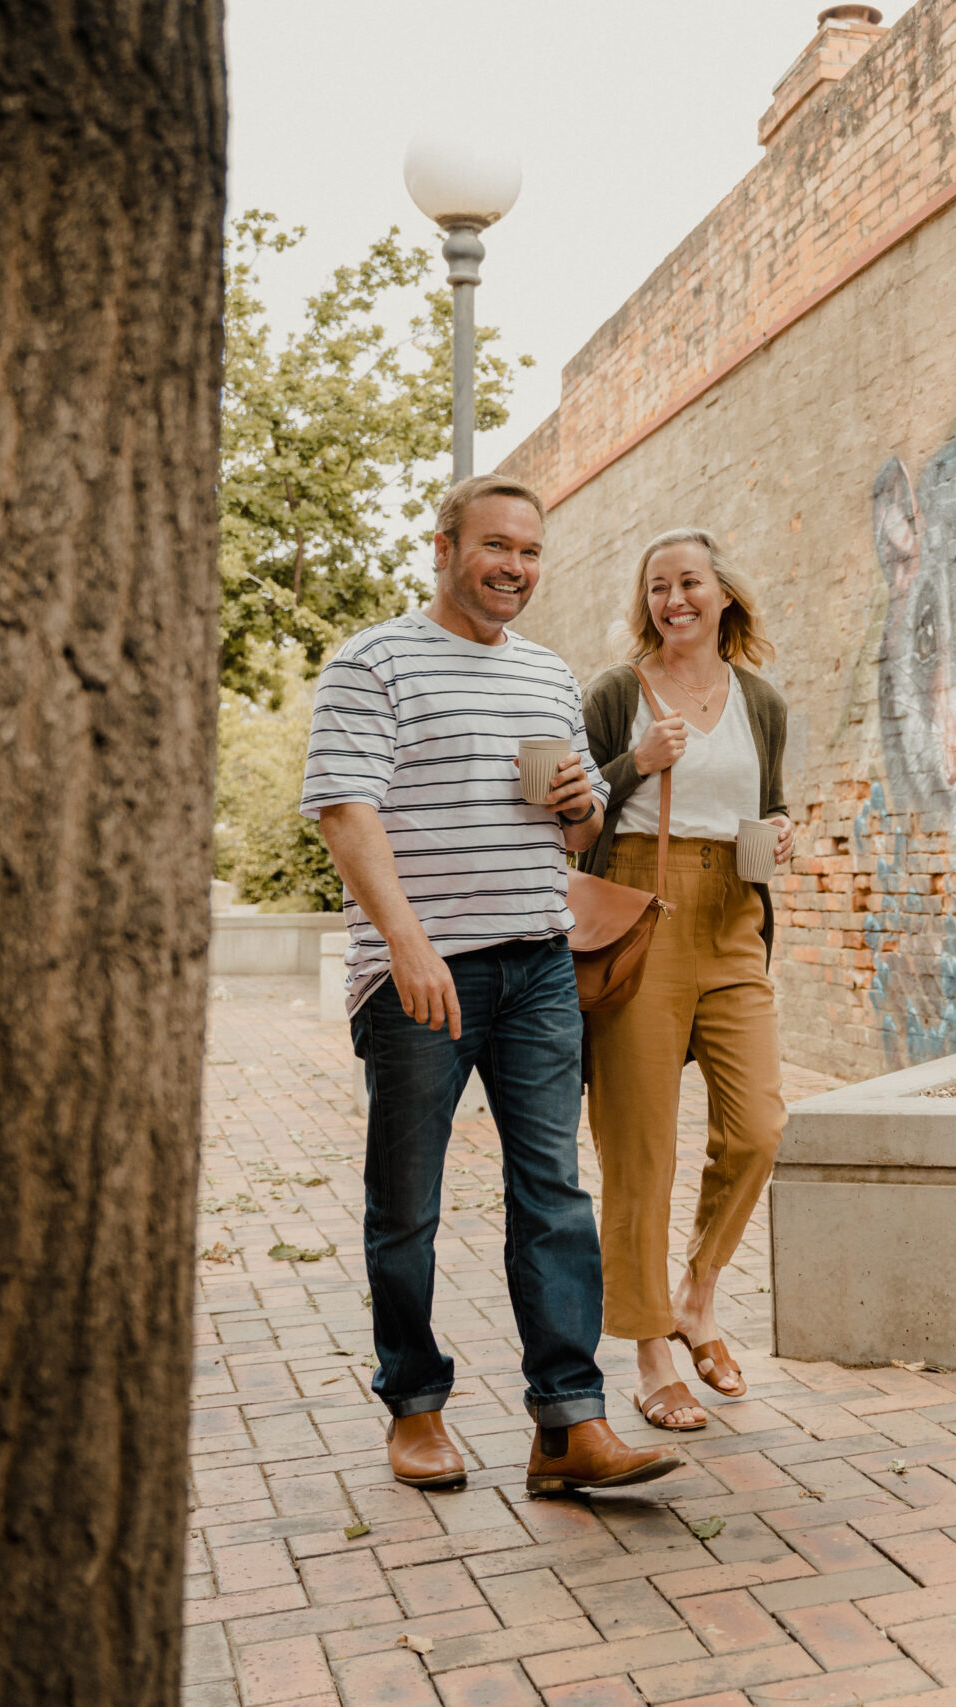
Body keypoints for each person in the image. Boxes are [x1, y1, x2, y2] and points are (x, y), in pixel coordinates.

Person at [301, 473, 682, 1497]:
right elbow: (346, 811)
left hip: (539, 966)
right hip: (421, 975)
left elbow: (576, 830)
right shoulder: (372, 661)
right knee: (408, 1202)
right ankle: (414, 1407)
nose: (514, 567)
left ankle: (568, 1426)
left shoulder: (551, 676)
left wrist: (579, 804)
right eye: (495, 547)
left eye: (530, 552)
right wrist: (407, 945)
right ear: (443, 547)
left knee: (552, 1193)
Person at [581, 528, 794, 1432]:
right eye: (658, 585)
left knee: (758, 1126)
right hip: (640, 903)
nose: (675, 599)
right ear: (647, 603)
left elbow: (771, 800)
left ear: (723, 596)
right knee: (641, 1152)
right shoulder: (617, 692)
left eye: (691, 583)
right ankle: (651, 1352)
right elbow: (572, 805)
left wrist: (782, 833)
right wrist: (639, 763)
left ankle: (698, 1294)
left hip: (734, 913)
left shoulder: (761, 701)